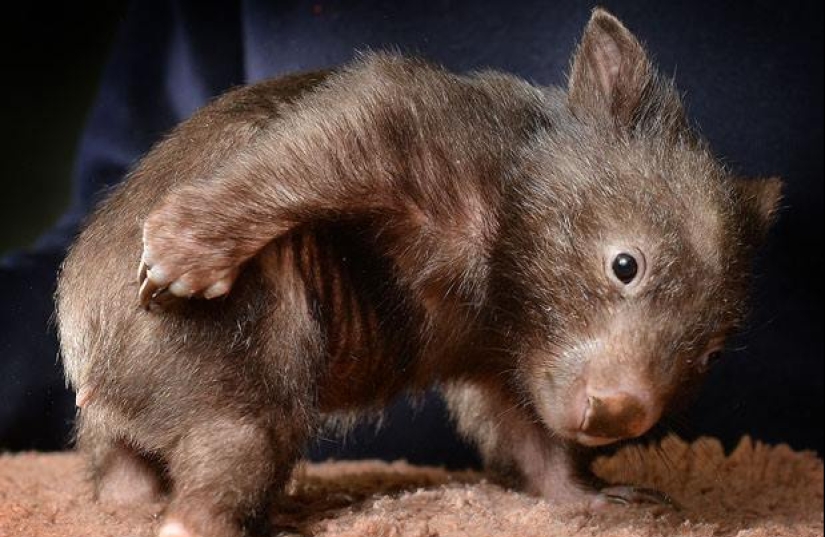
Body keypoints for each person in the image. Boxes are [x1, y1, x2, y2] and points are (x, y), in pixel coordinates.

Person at [1, 0, 822, 457]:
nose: (640, 398)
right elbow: (114, 227)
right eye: (626, 272)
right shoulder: (450, 141)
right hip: (232, 385)